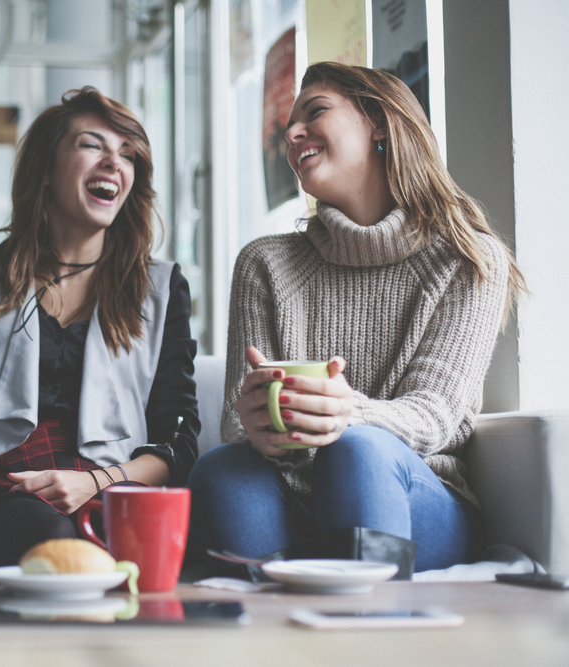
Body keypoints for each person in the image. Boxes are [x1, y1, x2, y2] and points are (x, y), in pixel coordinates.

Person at [188, 62, 526, 576]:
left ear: (379, 123)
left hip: (413, 498)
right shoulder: (265, 264)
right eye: (288, 127)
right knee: (223, 469)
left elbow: (437, 413)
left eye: (315, 111)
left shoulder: (468, 258)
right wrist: (259, 422)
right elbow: (238, 425)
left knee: (358, 450)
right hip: (292, 497)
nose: (293, 132)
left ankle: (369, 639)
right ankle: (258, 642)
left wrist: (347, 414)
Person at [0, 87, 200, 581]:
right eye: (93, 145)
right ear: (47, 171)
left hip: (112, 492)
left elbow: (176, 443)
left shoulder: (160, 287)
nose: (114, 163)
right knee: (55, 545)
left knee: (124, 548)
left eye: (128, 154)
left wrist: (95, 482)